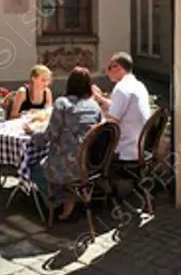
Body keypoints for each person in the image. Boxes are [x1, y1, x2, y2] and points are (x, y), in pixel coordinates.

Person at [28, 67, 103, 221]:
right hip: (90, 165)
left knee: (32, 168)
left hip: (66, 166)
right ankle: (71, 196)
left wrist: (32, 135)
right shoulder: (95, 106)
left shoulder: (63, 103)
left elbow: (50, 135)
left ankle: (57, 201)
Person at [93, 52, 151, 163]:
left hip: (126, 148)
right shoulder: (139, 85)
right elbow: (124, 107)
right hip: (140, 142)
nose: (107, 72)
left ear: (117, 67)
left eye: (109, 68)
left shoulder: (121, 88)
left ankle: (94, 176)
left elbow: (112, 121)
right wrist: (100, 99)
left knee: (91, 142)